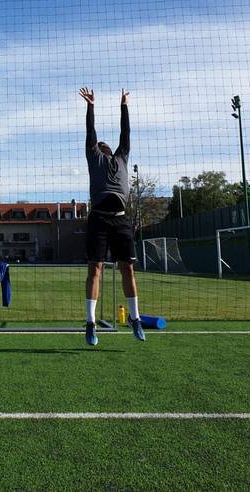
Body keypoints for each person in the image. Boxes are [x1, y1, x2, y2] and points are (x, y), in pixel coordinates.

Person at [79, 87, 145, 344]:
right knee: (95, 269)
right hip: (98, 218)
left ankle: (135, 318)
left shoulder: (122, 157)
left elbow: (125, 133)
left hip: (120, 218)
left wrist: (124, 105)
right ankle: (90, 323)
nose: (102, 144)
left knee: (127, 268)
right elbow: (90, 132)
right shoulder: (93, 156)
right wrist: (91, 106)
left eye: (105, 144)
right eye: (99, 144)